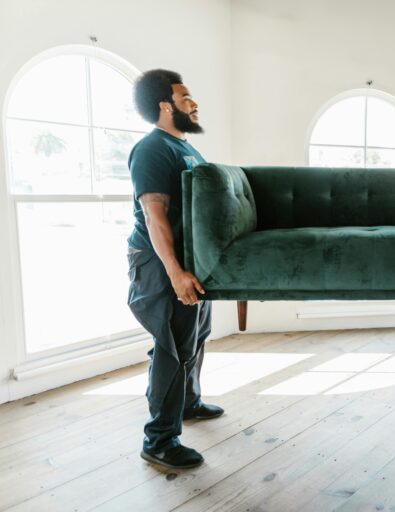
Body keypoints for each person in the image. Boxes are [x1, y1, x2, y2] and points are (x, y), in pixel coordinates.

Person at [127, 69, 224, 469]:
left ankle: (188, 402)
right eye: (186, 97)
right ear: (165, 105)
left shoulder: (184, 147)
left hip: (190, 259)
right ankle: (160, 440)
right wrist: (175, 272)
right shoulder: (152, 149)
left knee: (195, 337)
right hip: (160, 262)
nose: (194, 102)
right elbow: (155, 216)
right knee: (171, 346)